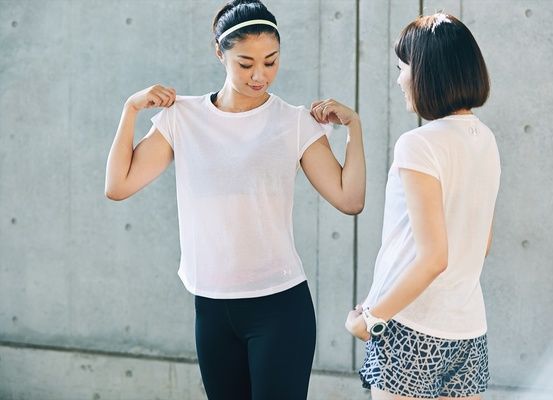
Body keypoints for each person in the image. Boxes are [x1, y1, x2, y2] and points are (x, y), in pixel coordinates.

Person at [104, 1, 366, 399]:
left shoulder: (294, 122)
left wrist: (355, 128)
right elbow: (118, 185)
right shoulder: (182, 118)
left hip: (280, 307)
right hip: (211, 306)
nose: (260, 75)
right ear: (219, 53)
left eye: (271, 61)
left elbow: (350, 199)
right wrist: (130, 109)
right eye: (246, 64)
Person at [345, 13, 500, 400]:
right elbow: (481, 243)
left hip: (411, 327)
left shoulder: (419, 144)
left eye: (403, 68)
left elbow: (433, 257)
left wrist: (372, 318)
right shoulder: (485, 139)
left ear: (427, 73)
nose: (400, 79)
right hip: (468, 329)